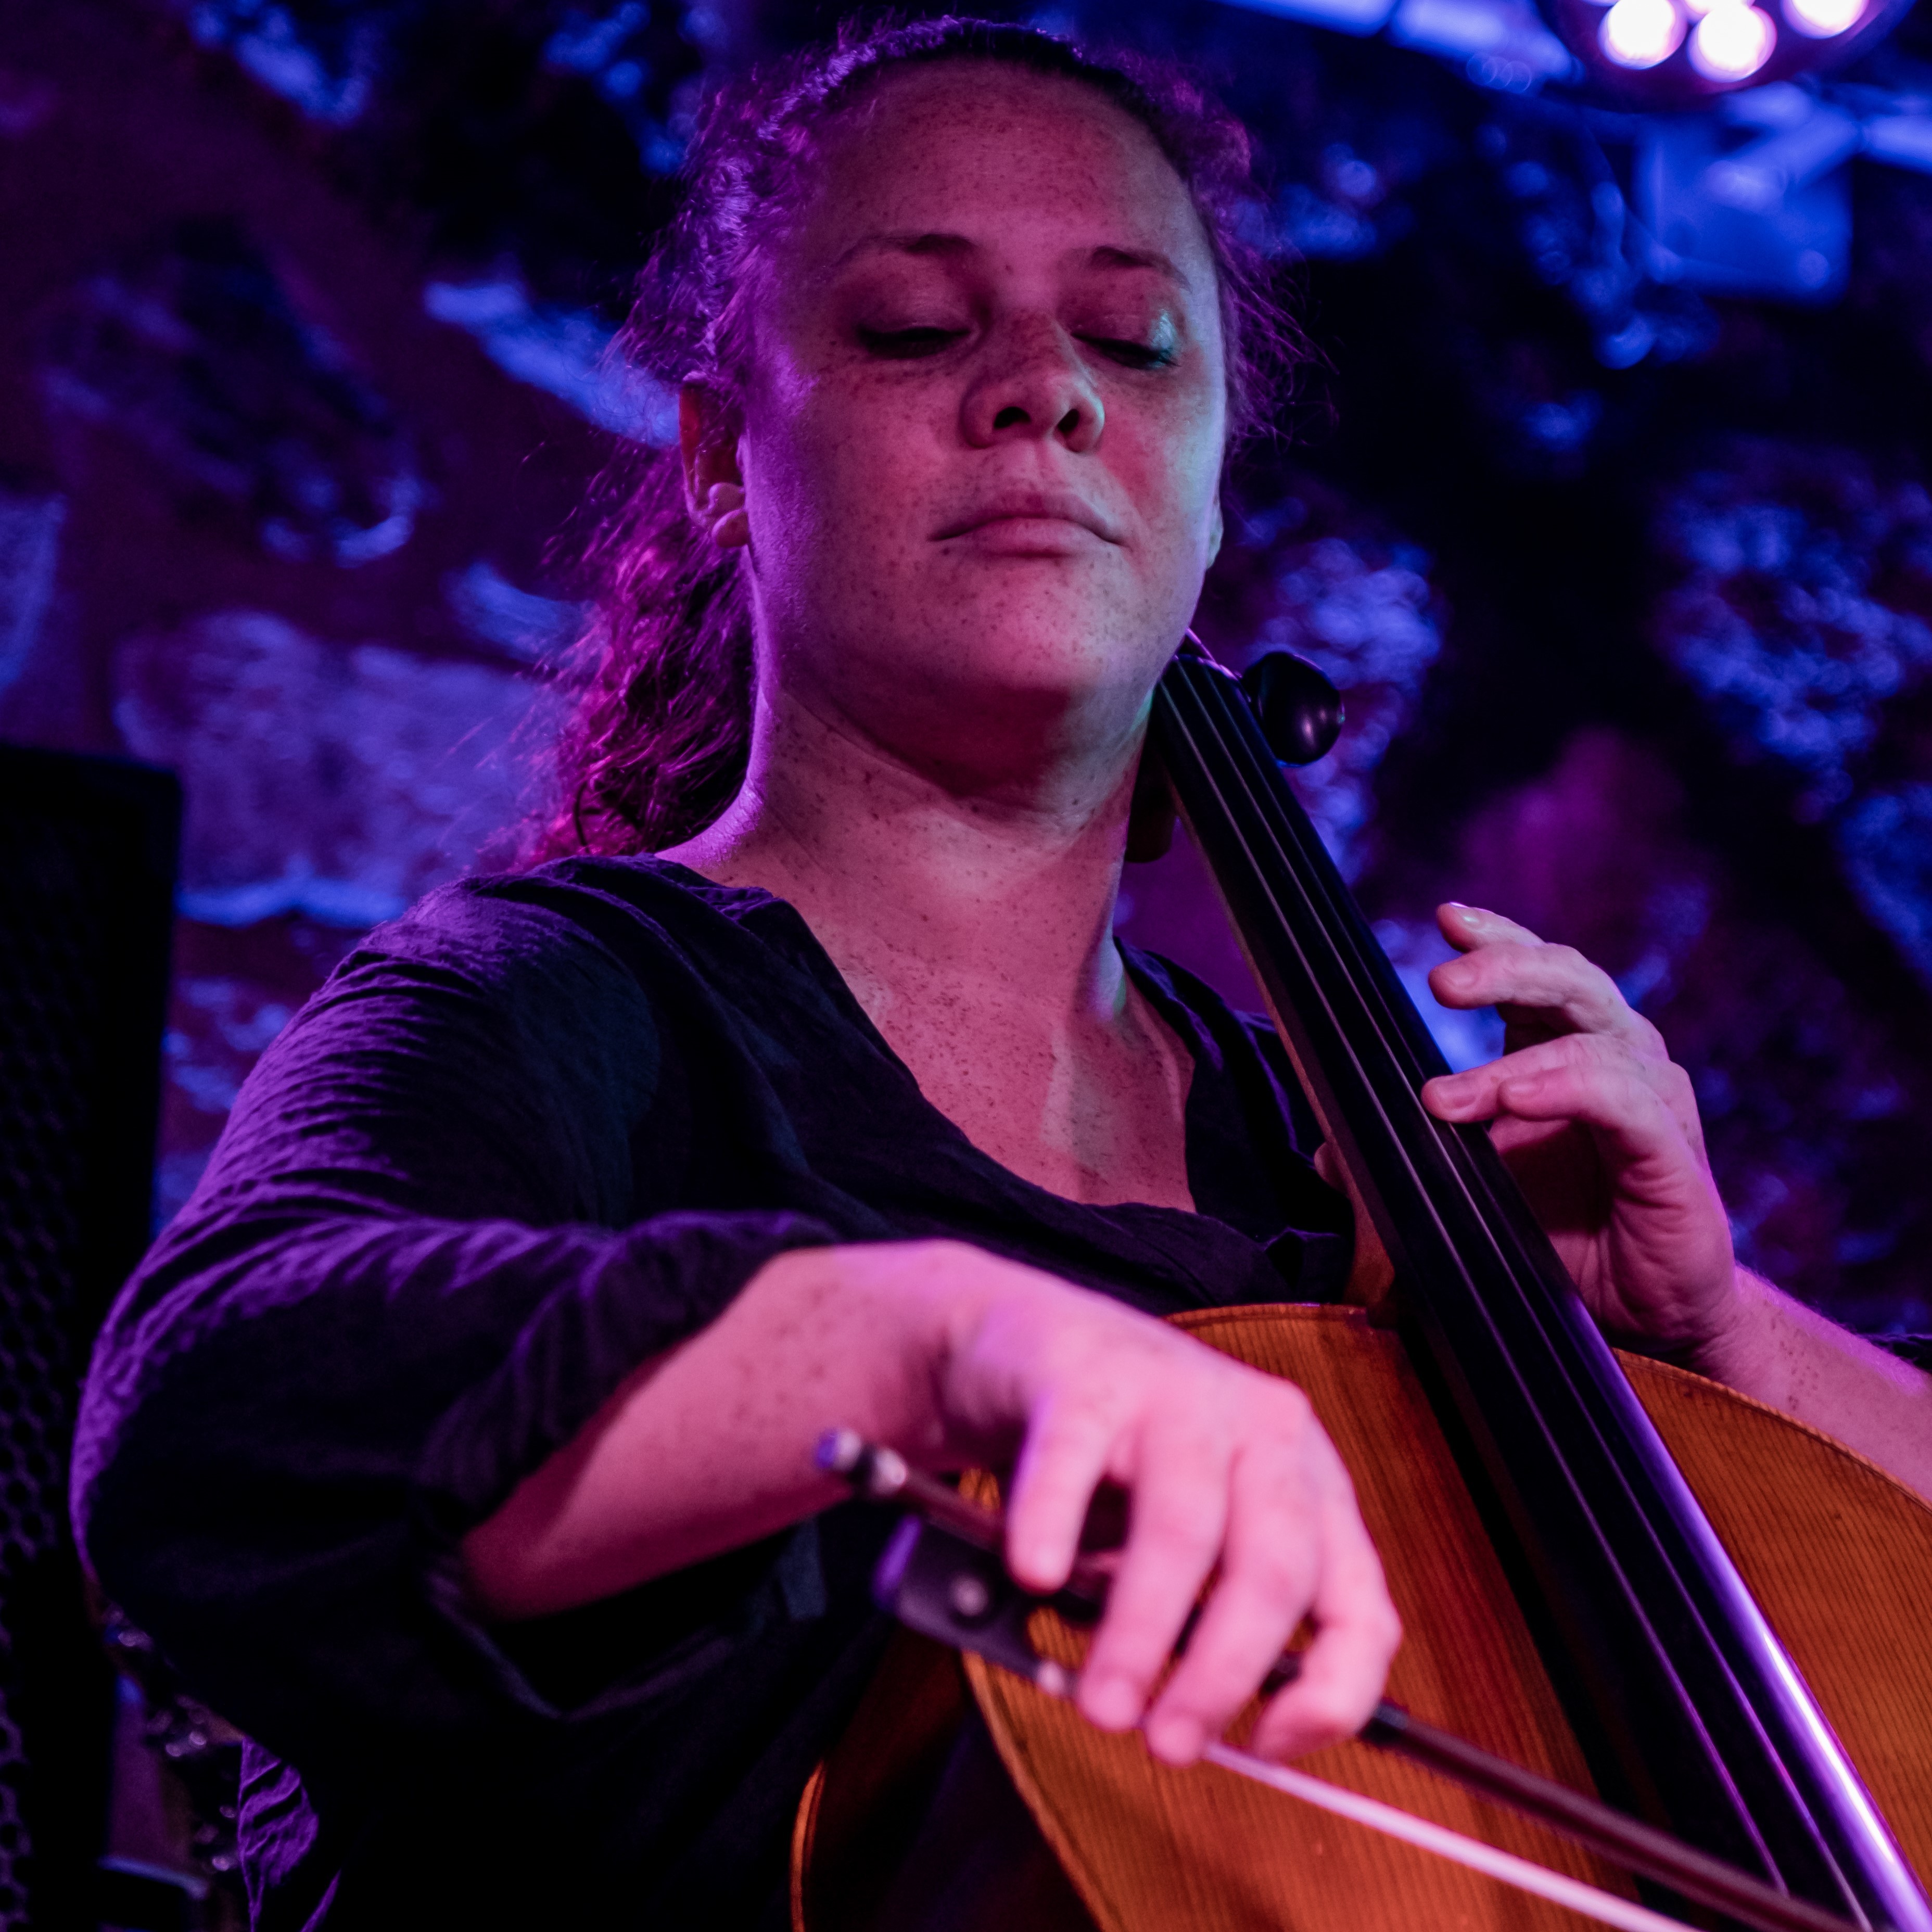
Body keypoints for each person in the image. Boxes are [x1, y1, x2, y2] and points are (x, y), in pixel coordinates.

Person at [73, 19, 1932, 1931]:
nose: (1044, 390)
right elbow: (213, 1407)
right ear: (722, 459)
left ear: (1212, 497)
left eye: (1133, 345)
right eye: (911, 330)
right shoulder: (562, 1007)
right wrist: (937, 1342)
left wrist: (1722, 1342)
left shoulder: (1347, 1188)